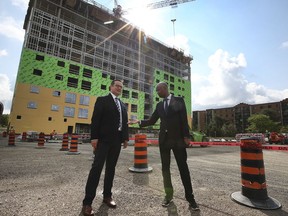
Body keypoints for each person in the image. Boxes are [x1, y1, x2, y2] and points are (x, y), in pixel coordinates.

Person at [129, 82, 199, 210]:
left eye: (158, 90)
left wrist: (186, 136)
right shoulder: (160, 105)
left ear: (164, 89)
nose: (157, 92)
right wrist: (138, 121)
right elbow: (152, 120)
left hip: (178, 141)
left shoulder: (178, 100)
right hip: (164, 141)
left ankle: (191, 198)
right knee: (165, 169)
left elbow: (183, 118)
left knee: (183, 168)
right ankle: (168, 195)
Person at [81, 80, 129, 216]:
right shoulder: (102, 100)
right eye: (117, 86)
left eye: (121, 87)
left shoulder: (122, 105)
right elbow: (95, 119)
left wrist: (125, 138)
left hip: (116, 141)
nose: (119, 88)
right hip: (103, 141)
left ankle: (107, 196)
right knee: (96, 169)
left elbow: (124, 122)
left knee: (111, 169)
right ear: (111, 87)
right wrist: (94, 137)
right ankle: (87, 202)